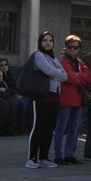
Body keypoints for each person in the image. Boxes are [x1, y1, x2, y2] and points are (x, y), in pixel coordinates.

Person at [22, 31, 69, 168]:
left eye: (50, 40)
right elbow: (49, 71)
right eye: (45, 40)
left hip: (55, 97)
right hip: (41, 95)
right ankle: (31, 158)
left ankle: (44, 157)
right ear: (40, 42)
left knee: (49, 129)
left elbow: (65, 76)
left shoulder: (54, 58)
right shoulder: (38, 55)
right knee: (39, 127)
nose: (48, 43)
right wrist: (57, 74)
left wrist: (57, 74)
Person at [51, 36, 91, 165]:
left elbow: (89, 76)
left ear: (78, 49)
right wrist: (80, 77)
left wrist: (77, 77)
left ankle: (69, 154)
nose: (72, 50)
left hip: (78, 100)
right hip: (65, 99)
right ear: (65, 47)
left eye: (75, 47)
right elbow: (69, 78)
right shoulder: (62, 62)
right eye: (70, 47)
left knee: (74, 129)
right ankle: (58, 155)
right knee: (61, 128)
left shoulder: (80, 63)